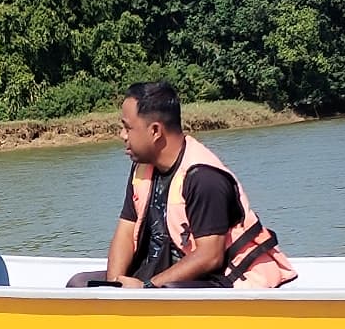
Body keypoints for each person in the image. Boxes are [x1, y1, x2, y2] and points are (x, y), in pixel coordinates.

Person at [68, 81, 296, 289]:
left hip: (215, 280)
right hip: (158, 275)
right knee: (78, 284)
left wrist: (146, 287)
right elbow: (126, 232)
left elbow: (210, 256)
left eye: (128, 128)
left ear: (155, 131)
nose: (122, 135)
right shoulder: (142, 168)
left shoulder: (204, 178)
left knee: (170, 290)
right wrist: (113, 287)